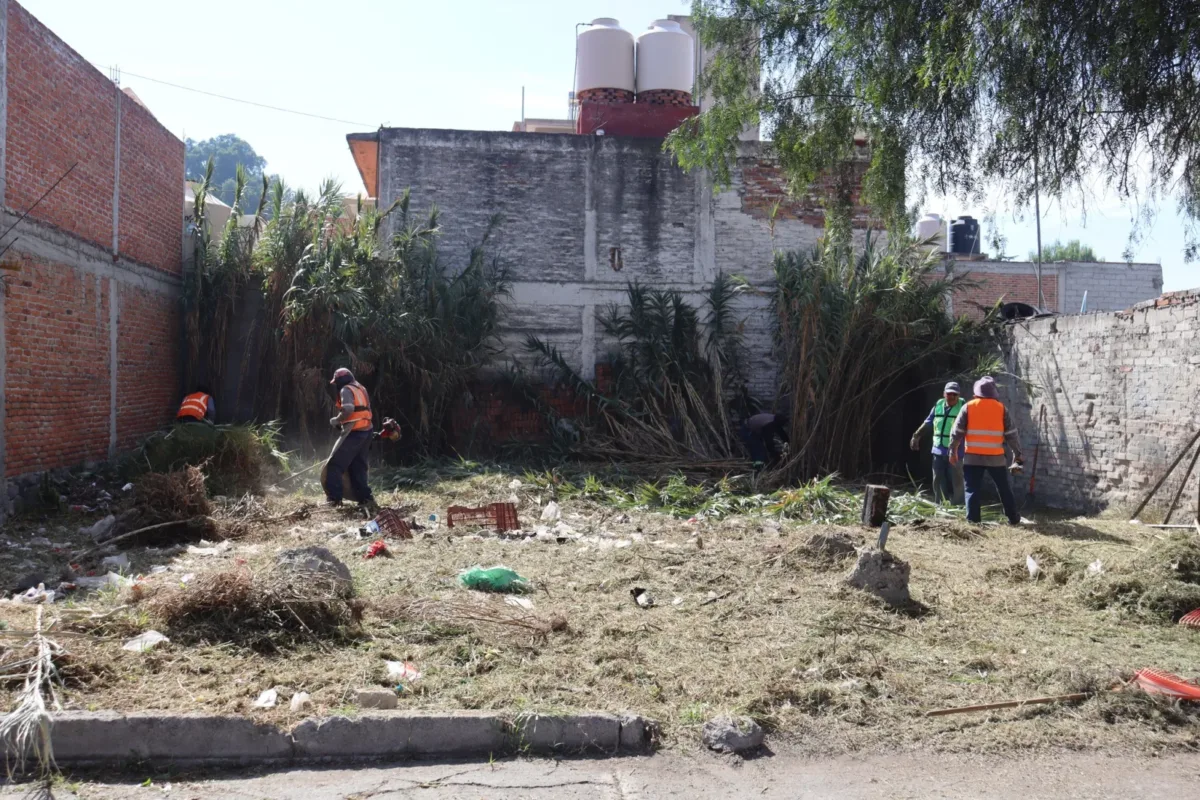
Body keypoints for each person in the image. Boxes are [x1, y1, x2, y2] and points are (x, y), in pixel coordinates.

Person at [949, 376, 1023, 525]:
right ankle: (1013, 518)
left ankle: (973, 522)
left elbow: (957, 432)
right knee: (1004, 488)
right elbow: (1011, 435)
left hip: (972, 457)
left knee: (972, 489)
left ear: (976, 393)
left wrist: (953, 451)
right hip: (995, 457)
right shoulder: (1001, 408)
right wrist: (1017, 454)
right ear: (993, 393)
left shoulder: (968, 407)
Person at [325, 368, 376, 511]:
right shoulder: (361, 388)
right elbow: (367, 410)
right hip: (366, 430)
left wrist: (336, 420)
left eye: (337, 382)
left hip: (353, 432)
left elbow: (348, 409)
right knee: (358, 466)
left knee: (334, 464)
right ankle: (366, 499)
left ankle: (334, 500)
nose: (336, 385)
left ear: (341, 380)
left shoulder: (346, 390)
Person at [910, 382, 965, 505]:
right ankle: (941, 504)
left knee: (957, 480)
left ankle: (958, 505)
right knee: (938, 479)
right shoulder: (938, 405)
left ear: (959, 395)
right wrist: (916, 436)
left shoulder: (964, 407)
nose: (952, 397)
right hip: (938, 450)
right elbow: (928, 422)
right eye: (949, 394)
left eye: (954, 394)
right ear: (944, 394)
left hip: (956, 451)